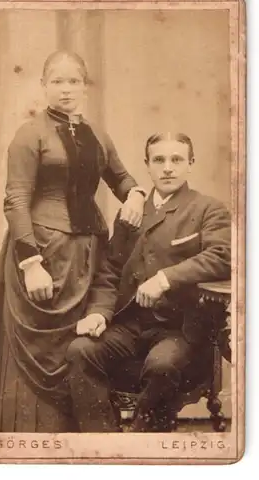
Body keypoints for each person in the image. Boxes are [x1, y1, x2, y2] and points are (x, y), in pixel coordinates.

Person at [0, 50, 147, 432]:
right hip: (41, 254)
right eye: (57, 81)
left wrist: (137, 194)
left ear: (85, 87)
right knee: (42, 354)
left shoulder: (97, 134)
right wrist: (30, 263)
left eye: (74, 80)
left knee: (81, 348)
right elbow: (16, 200)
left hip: (87, 257)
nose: (66, 89)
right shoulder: (29, 134)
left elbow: (121, 178)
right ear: (44, 86)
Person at [66, 132, 231, 432]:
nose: (168, 168)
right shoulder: (132, 213)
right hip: (130, 326)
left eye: (177, 160)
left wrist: (166, 278)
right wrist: (98, 313)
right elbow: (109, 270)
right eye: (159, 160)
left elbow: (223, 255)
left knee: (162, 366)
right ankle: (104, 444)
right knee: (80, 351)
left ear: (190, 164)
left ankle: (144, 444)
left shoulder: (208, 209)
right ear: (148, 165)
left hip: (179, 329)